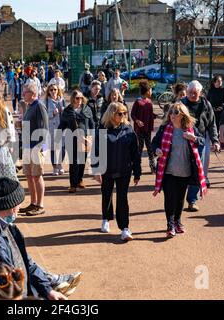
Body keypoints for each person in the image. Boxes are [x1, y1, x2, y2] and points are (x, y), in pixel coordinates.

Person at [0, 177, 80, 300]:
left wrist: (47, 291)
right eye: (19, 204)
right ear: (12, 207)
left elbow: (25, 260)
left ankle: (51, 281)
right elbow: (6, 282)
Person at [152, 103, 207, 237]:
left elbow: (202, 141)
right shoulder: (164, 128)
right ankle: (170, 225)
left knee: (180, 199)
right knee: (170, 198)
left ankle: (177, 221)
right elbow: (154, 143)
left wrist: (193, 138)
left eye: (176, 112)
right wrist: (157, 150)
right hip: (168, 171)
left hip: (185, 171)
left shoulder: (190, 128)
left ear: (183, 114)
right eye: (171, 112)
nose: (172, 115)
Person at [93, 102, 141, 241]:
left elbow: (135, 154)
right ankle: (106, 219)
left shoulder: (129, 129)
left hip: (124, 170)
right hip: (106, 170)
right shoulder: (102, 129)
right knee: (106, 195)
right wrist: (96, 170)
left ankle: (125, 228)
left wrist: (137, 172)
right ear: (112, 114)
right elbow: (96, 151)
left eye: (124, 113)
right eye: (120, 113)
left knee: (122, 199)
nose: (123, 116)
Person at [181, 80, 220, 212]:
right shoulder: (181, 104)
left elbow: (212, 124)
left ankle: (192, 200)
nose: (192, 95)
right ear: (186, 92)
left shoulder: (206, 104)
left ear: (200, 93)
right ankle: (179, 199)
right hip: (183, 141)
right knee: (183, 170)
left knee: (198, 171)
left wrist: (215, 140)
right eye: (190, 93)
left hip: (200, 141)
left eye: (195, 93)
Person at [19, 83, 49, 216]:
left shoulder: (39, 106)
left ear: (33, 93)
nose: (23, 94)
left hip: (37, 146)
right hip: (27, 145)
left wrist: (41, 147)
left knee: (37, 176)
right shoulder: (29, 106)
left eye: (25, 92)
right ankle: (33, 202)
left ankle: (40, 205)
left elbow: (45, 128)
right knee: (29, 176)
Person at [58, 90, 95, 193]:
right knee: (73, 162)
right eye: (77, 98)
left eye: (81, 98)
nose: (79, 100)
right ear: (73, 99)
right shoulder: (67, 111)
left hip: (85, 139)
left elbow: (92, 124)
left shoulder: (87, 109)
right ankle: (73, 184)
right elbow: (62, 125)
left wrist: (91, 137)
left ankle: (79, 180)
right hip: (72, 139)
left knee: (82, 161)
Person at [131, 80, 156, 173]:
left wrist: (158, 116)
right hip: (139, 130)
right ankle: (137, 167)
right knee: (140, 149)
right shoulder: (138, 102)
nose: (151, 92)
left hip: (148, 129)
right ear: (147, 91)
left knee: (150, 148)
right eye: (151, 90)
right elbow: (133, 114)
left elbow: (150, 114)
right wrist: (137, 121)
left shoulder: (149, 102)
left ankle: (153, 167)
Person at [45, 83, 66, 176]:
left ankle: (59, 164)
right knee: (53, 148)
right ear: (48, 92)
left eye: (55, 89)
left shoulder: (62, 100)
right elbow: (44, 116)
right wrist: (52, 113)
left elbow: (67, 114)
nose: (53, 91)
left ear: (58, 90)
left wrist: (63, 111)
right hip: (52, 127)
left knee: (63, 147)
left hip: (62, 126)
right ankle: (54, 167)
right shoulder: (46, 101)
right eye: (51, 90)